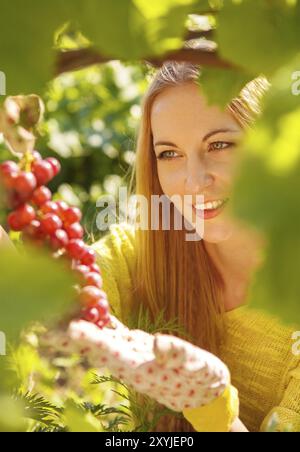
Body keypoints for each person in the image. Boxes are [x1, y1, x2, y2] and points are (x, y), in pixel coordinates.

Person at [1, 61, 300, 432]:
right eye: (169, 154)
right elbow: (44, 305)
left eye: (220, 144)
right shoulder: (144, 255)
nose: (194, 181)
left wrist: (212, 408)